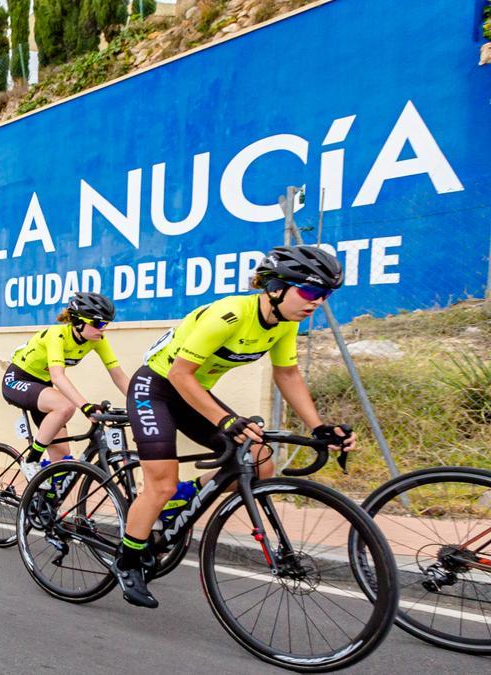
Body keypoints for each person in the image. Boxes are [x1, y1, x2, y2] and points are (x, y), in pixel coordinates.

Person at [115, 245, 356, 609]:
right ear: (276, 287)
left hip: (191, 393)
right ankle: (129, 559)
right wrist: (225, 419)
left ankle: (185, 493)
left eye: (325, 294)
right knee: (160, 483)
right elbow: (180, 373)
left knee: (260, 460)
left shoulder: (284, 324)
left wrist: (318, 425)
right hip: (156, 389)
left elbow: (287, 373)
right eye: (309, 291)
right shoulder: (228, 315)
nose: (317, 302)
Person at [3, 292, 129, 478]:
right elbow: (57, 377)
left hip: (41, 386)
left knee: (62, 461)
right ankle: (31, 460)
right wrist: (85, 406)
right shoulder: (57, 335)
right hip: (18, 380)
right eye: (98, 323)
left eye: (106, 324)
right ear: (78, 321)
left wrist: (141, 404)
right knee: (65, 406)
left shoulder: (97, 340)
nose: (103, 329)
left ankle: (44, 499)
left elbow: (118, 375)